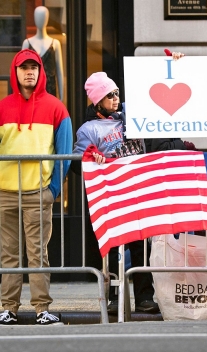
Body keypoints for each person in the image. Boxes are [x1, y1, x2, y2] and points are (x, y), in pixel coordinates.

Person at [73, 72, 159, 314]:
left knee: (142, 244)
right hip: (111, 196)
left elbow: (157, 100)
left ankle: (144, 296)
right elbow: (77, 160)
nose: (115, 98)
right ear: (97, 101)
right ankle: (112, 297)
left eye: (116, 93)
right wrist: (90, 154)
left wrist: (170, 64)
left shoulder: (133, 117)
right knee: (110, 248)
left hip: (136, 190)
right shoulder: (89, 129)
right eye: (109, 95)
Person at [0, 49, 73, 325]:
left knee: (37, 254)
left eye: (34, 67)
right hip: (5, 193)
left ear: (41, 71)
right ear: (15, 72)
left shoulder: (56, 107)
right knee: (8, 254)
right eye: (24, 67)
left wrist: (52, 190)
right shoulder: (3, 106)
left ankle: (42, 308)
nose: (29, 71)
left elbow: (64, 154)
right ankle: (9, 308)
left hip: (37, 193)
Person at [22, 6, 64, 101]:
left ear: (47, 18)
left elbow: (60, 72)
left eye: (43, 17)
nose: (40, 20)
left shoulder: (55, 44)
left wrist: (61, 97)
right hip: (31, 91)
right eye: (38, 17)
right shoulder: (27, 43)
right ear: (34, 18)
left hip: (50, 92)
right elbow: (21, 71)